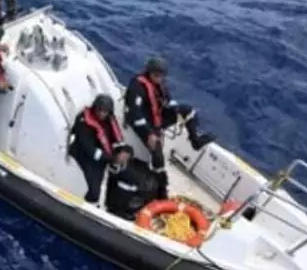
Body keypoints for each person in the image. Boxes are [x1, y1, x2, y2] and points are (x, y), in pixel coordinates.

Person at [123, 57, 216, 200]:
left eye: (161, 75)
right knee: (157, 154)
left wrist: (175, 110)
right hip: (142, 122)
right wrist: (150, 133)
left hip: (157, 117)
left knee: (188, 111)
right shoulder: (137, 86)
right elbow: (135, 113)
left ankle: (195, 141)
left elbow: (168, 100)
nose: (159, 78)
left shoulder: (160, 85)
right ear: (149, 72)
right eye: (156, 75)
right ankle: (159, 189)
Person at [68, 94, 133, 204]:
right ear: (95, 107)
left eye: (105, 111)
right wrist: (112, 159)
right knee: (94, 191)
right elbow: (89, 149)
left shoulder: (109, 120)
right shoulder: (83, 121)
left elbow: (117, 139)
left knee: (129, 175)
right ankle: (88, 204)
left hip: (103, 156)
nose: (102, 113)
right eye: (99, 110)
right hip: (84, 156)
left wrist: (126, 152)